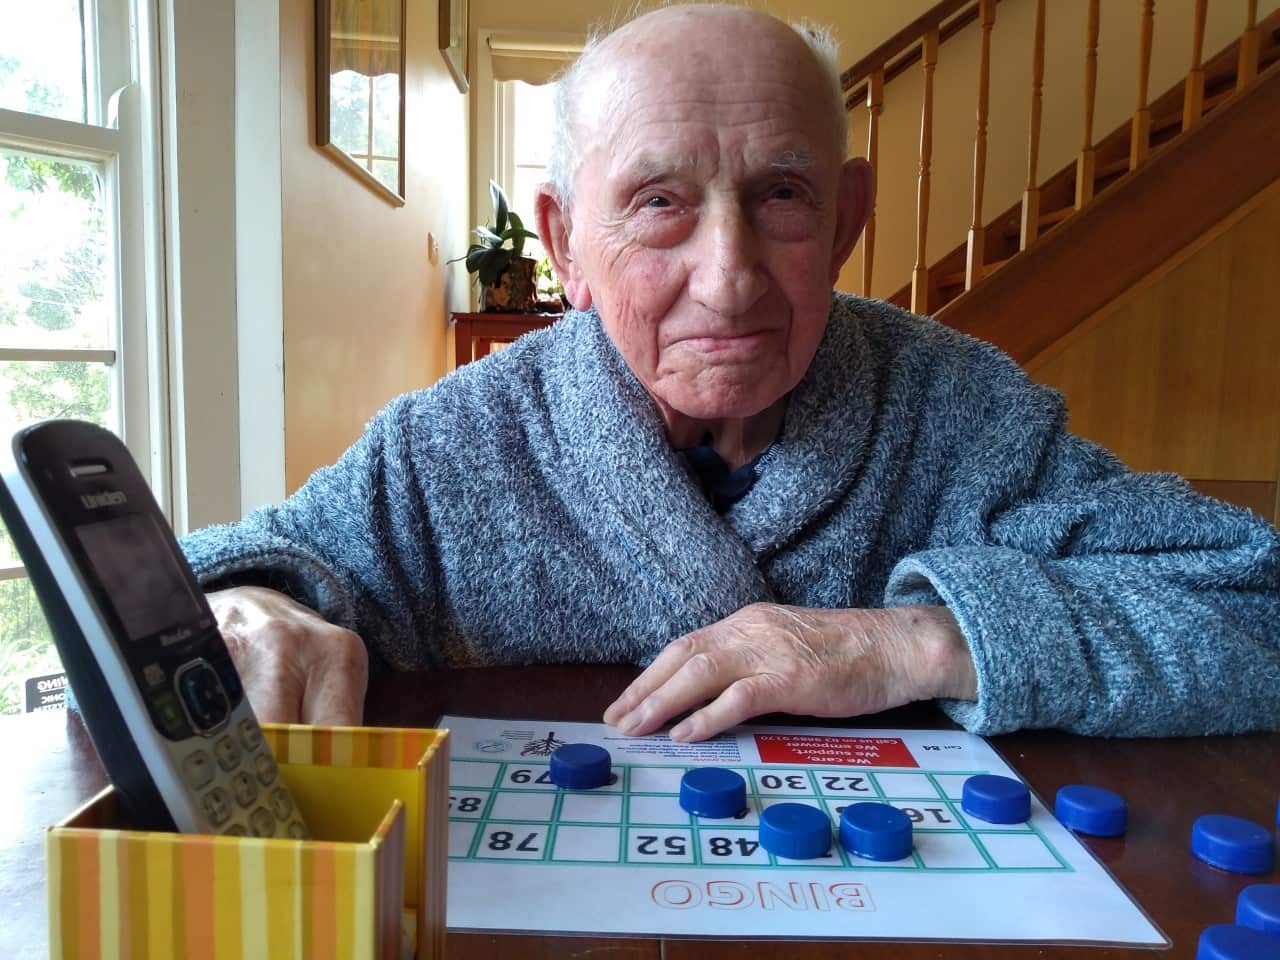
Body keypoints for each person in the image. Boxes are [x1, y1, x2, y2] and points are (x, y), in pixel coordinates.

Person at [182, 4, 1280, 742]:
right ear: (563, 245)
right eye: (658, 203)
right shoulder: (447, 447)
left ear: (845, 219)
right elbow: (241, 574)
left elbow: (1253, 606)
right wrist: (239, 608)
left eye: (781, 197)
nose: (728, 277)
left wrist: (911, 639)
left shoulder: (963, 410)